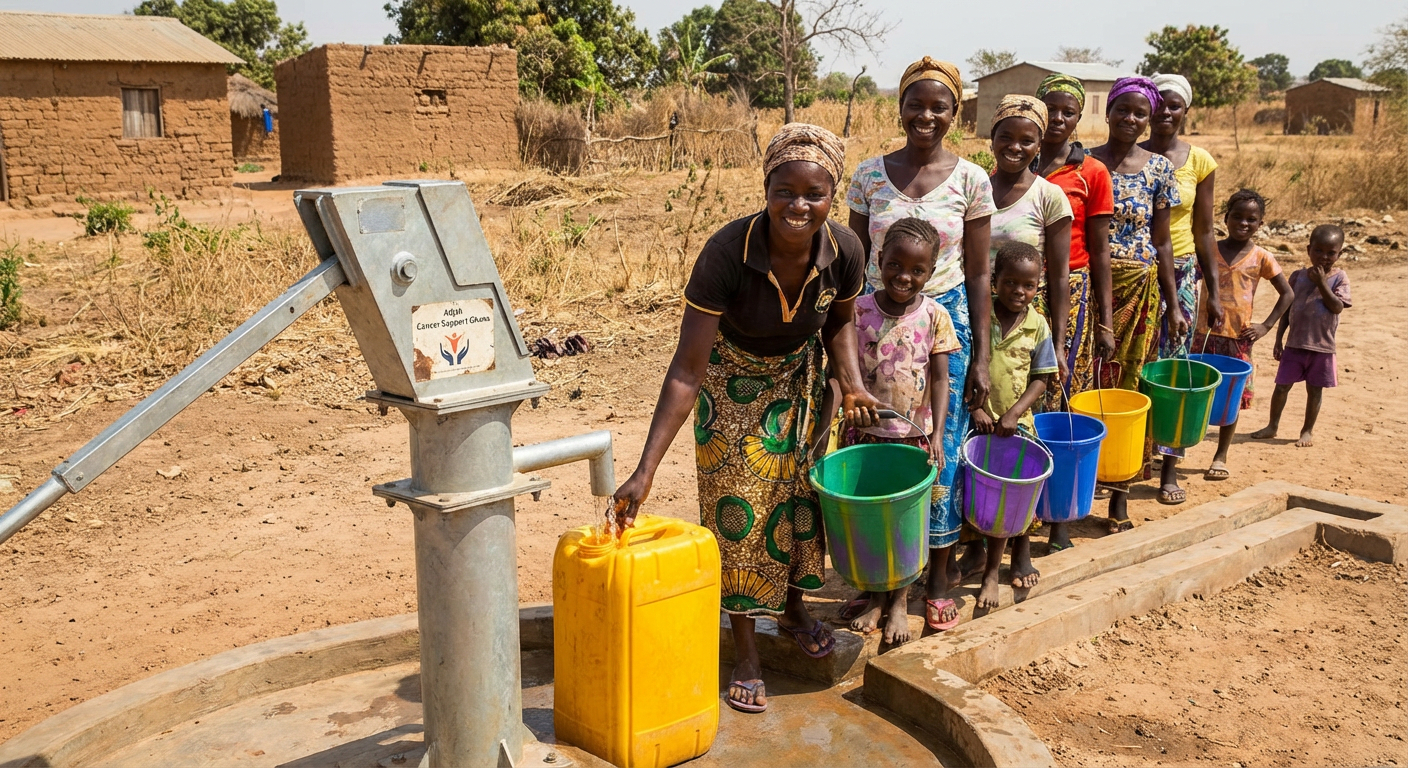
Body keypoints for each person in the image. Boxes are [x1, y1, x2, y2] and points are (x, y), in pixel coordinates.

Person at [610, 123, 882, 715]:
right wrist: (644, 470)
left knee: (798, 506)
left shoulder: (846, 249)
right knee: (739, 515)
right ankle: (745, 653)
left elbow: (838, 321)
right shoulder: (727, 252)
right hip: (731, 383)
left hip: (804, 382)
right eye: (785, 191)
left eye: (815, 194)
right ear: (766, 188)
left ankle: (792, 611)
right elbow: (686, 369)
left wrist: (852, 382)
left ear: (832, 196)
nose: (799, 207)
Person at [845, 56, 995, 609]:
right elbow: (853, 262)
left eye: (939, 106)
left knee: (939, 448)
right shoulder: (867, 175)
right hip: (873, 327)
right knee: (874, 443)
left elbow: (979, 273)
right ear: (900, 106)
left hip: (943, 329)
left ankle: (935, 574)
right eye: (916, 103)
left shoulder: (973, 180)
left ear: (955, 112)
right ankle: (879, 575)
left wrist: (978, 355)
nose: (926, 115)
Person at [839, 217, 961, 642]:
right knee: (870, 519)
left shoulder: (935, 315)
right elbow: (840, 371)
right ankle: (874, 596)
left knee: (907, 524)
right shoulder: (858, 311)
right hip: (865, 434)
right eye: (895, 265)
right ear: (879, 260)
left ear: (931, 271)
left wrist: (940, 435)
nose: (904, 277)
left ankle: (900, 601)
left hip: (914, 437)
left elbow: (943, 379)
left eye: (916, 270)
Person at [1086, 76, 1184, 527]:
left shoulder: (1159, 169)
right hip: (1090, 291)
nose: (1130, 119)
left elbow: (1163, 244)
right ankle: (1080, 488)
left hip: (1142, 293)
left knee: (1130, 388)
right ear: (1107, 113)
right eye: (1121, 110)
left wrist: (1175, 304)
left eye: (1139, 113)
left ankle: (1120, 493)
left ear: (1149, 120)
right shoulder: (1086, 163)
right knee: (1085, 388)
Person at [1035, 73, 1116, 553]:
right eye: (1052, 109)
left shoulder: (1092, 173)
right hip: (1015, 294)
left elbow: (1102, 250)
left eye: (1069, 111)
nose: (1059, 119)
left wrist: (1103, 321)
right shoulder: (1014, 157)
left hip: (1074, 293)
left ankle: (1059, 519)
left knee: (1064, 394)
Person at [1140, 73, 1227, 505]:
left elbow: (1206, 230)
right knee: (1133, 363)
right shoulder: (1129, 156)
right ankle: (1131, 460)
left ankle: (1168, 467)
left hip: (1182, 271)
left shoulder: (1199, 161)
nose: (1166, 113)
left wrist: (1214, 291)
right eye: (1160, 104)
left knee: (1175, 370)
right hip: (1135, 272)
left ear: (1185, 111)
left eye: (1174, 105)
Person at [970, 242, 1057, 607]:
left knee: (1016, 498)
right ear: (994, 280)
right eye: (1010, 283)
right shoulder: (981, 314)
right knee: (980, 498)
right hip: (978, 424)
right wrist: (975, 408)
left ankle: (1004, 565)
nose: (1019, 292)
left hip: (1016, 427)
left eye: (1029, 285)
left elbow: (1042, 377)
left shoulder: (1038, 325)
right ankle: (976, 555)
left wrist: (1015, 413)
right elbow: (964, 366)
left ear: (1039, 286)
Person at [1192, 189, 1293, 479]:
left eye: (1251, 219)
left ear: (1260, 224)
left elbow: (1287, 293)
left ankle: (1220, 455)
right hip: (1203, 335)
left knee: (1229, 399)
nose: (1243, 223)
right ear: (1226, 218)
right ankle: (1182, 446)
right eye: (1237, 217)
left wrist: (1266, 326)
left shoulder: (1262, 257)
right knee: (1195, 393)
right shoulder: (1208, 250)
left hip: (1239, 339)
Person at [988, 93, 1072, 378]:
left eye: (1026, 141)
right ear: (992, 139)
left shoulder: (1049, 196)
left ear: (1039, 146)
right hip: (977, 315)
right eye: (1006, 137)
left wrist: (1058, 345)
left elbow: (1060, 275)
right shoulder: (974, 189)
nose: (1015, 147)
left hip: (1025, 319)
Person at [1252, 224, 1350, 448]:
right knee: (1281, 386)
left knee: (1315, 391)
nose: (1324, 257)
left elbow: (1336, 307)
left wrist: (1322, 283)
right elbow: (1287, 311)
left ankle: (1307, 430)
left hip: (1322, 348)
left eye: (1330, 252)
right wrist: (1278, 339)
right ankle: (1272, 426)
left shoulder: (1340, 278)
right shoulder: (1297, 277)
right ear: (1309, 250)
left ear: (1339, 254)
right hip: (1294, 344)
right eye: (1318, 251)